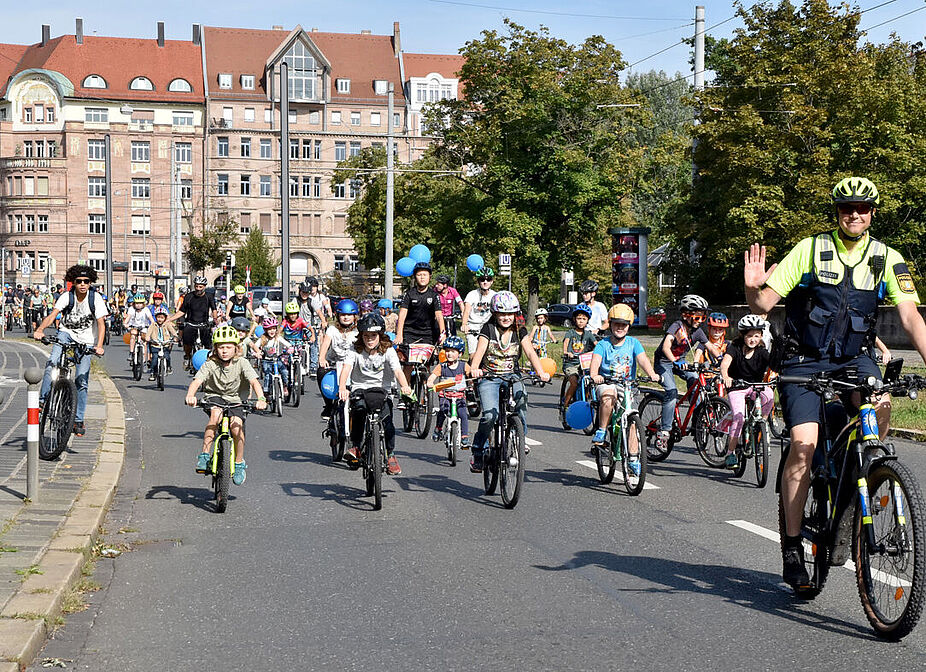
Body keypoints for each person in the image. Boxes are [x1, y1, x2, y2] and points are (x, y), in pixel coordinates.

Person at [744, 176, 926, 588]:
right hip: (804, 363)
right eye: (847, 208)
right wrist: (752, 286)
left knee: (878, 409)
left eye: (863, 208)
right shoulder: (810, 249)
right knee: (804, 445)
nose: (855, 214)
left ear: (873, 213)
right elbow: (764, 303)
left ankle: (859, 484)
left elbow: (911, 316)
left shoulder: (887, 258)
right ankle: (792, 547)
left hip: (854, 360)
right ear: (837, 212)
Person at [468, 291, 551, 473]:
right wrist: (475, 368)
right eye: (502, 313)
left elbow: (530, 352)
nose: (506, 318)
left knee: (521, 399)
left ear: (515, 314)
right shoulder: (487, 329)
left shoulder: (519, 331)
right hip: (489, 377)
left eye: (509, 313)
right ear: (495, 313)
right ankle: (478, 449)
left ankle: (520, 438)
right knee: (490, 415)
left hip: (512, 375)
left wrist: (541, 372)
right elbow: (480, 351)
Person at [185, 325, 266, 486]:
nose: (224, 351)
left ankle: (239, 462)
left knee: (237, 427)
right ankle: (204, 455)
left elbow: (254, 382)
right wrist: (190, 395)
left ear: (236, 348)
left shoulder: (242, 363)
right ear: (215, 348)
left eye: (228, 347)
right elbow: (197, 381)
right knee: (215, 417)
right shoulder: (210, 364)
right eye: (221, 347)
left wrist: (261, 398)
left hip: (236, 399)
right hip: (214, 397)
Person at [34, 265, 108, 437]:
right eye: (79, 281)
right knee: (52, 362)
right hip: (66, 334)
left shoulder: (95, 299)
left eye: (86, 281)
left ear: (91, 283)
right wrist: (40, 330)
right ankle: (43, 400)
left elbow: (101, 324)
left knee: (82, 381)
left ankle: (78, 419)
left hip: (87, 340)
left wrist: (99, 345)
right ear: (73, 282)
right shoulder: (67, 296)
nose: (82, 284)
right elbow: (53, 315)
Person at [338, 312, 412, 475]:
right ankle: (356, 447)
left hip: (383, 390)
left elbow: (398, 371)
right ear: (361, 336)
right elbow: (346, 368)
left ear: (380, 335)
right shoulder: (354, 349)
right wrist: (342, 387)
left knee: (388, 422)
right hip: (360, 389)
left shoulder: (388, 350)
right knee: (358, 413)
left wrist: (405, 386)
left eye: (373, 335)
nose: (370, 339)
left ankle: (390, 454)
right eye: (366, 336)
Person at [589, 304, 660, 473]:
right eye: (616, 324)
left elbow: (642, 360)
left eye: (624, 325)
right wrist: (594, 374)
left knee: (633, 421)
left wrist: (652, 374)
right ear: (611, 325)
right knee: (608, 395)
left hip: (628, 386)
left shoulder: (633, 343)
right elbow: (596, 362)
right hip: (607, 382)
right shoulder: (603, 344)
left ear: (629, 326)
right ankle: (601, 430)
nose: (620, 328)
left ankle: (634, 458)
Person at [652, 294, 712, 451]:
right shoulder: (676, 326)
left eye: (702, 318)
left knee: (696, 383)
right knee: (671, 392)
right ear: (686, 315)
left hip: (682, 363)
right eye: (697, 317)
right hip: (664, 363)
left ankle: (697, 424)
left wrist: (722, 359)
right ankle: (664, 432)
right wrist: (675, 361)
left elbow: (710, 346)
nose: (700, 321)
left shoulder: (697, 331)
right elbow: (666, 346)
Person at [719, 314, 773, 470]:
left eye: (756, 336)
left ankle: (761, 422)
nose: (753, 339)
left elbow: (773, 365)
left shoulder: (762, 351)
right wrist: (726, 376)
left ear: (761, 336)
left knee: (769, 395)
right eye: (749, 336)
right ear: (742, 335)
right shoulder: (734, 348)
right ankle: (730, 453)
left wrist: (779, 372)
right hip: (737, 387)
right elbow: (725, 364)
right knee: (739, 418)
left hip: (755, 385)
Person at [395, 261, 445, 383]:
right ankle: (405, 393)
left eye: (425, 275)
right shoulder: (409, 294)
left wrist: (443, 333)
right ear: (415, 277)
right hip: (409, 332)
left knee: (425, 363)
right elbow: (402, 314)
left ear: (430, 277)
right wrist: (399, 334)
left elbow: (439, 315)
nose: (422, 277)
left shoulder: (434, 295)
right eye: (419, 275)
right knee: (408, 364)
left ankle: (426, 393)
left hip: (427, 333)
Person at [426, 335, 472, 447]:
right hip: (445, 395)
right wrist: (430, 383)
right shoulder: (442, 367)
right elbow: (432, 378)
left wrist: (471, 385)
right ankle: (438, 428)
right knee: (443, 410)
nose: (449, 354)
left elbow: (471, 378)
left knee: (463, 414)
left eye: (453, 351)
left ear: (460, 354)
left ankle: (464, 437)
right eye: (447, 351)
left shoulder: (464, 366)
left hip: (460, 396)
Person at [318, 299, 359, 418]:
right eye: (343, 315)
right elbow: (325, 344)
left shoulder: (358, 331)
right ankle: (328, 405)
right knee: (321, 372)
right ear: (338, 316)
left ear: (354, 316)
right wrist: (322, 358)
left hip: (352, 364)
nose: (346, 317)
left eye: (349, 315)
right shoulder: (332, 329)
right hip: (335, 362)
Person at [168, 275, 217, 369]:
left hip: (204, 323)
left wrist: (215, 320)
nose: (198, 289)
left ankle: (207, 361)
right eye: (196, 286)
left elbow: (214, 309)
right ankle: (187, 357)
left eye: (200, 287)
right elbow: (182, 311)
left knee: (208, 344)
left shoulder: (209, 297)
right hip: (191, 323)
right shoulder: (189, 296)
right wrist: (170, 319)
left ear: (204, 286)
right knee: (187, 342)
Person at [560, 304, 598, 408]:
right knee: (574, 382)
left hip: (584, 365)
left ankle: (584, 401)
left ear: (587, 321)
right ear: (574, 319)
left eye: (584, 319)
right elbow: (566, 342)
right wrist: (566, 352)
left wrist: (599, 353)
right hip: (571, 364)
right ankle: (566, 404)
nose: (581, 321)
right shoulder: (570, 333)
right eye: (579, 318)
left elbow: (597, 345)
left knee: (590, 382)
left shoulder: (588, 334)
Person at [253, 316, 293, 398]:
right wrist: (256, 353)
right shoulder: (262, 339)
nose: (272, 331)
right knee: (267, 375)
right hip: (266, 360)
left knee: (284, 372)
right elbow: (254, 346)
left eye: (274, 328)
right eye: (269, 329)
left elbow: (287, 343)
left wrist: (290, 348)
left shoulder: (277, 338)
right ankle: (266, 392)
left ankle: (285, 386)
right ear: (265, 330)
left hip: (276, 359)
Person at [461, 267, 497, 355]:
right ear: (478, 281)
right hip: (473, 328)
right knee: (473, 355)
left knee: (488, 355)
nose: (485, 282)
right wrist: (464, 324)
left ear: (491, 281)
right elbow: (467, 310)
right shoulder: (472, 294)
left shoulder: (495, 295)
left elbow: (497, 312)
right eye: (482, 279)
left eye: (488, 279)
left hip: (488, 327)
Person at [296, 279, 329, 375]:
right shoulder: (296, 300)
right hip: (298, 326)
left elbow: (319, 312)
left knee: (313, 345)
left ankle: (313, 366)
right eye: (303, 292)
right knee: (296, 344)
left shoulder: (312, 301)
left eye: (307, 292)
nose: (304, 294)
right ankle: (296, 362)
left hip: (310, 326)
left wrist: (323, 321)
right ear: (300, 291)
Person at [143, 306, 176, 379]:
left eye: (162, 318)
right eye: (158, 317)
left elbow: (172, 331)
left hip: (165, 344)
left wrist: (176, 336)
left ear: (165, 318)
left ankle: (168, 367)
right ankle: (152, 372)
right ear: (155, 317)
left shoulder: (167, 324)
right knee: (154, 359)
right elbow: (149, 332)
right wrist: (147, 337)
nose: (160, 319)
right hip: (155, 345)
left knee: (167, 356)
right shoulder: (153, 325)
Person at [124, 294, 153, 364]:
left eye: (140, 303)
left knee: (145, 342)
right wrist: (125, 324)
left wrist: (153, 324)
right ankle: (131, 353)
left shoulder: (146, 309)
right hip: (134, 327)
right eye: (137, 303)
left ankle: (144, 359)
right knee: (133, 336)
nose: (138, 305)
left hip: (144, 328)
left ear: (143, 304)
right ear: (134, 303)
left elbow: (151, 319)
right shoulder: (131, 309)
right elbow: (128, 318)